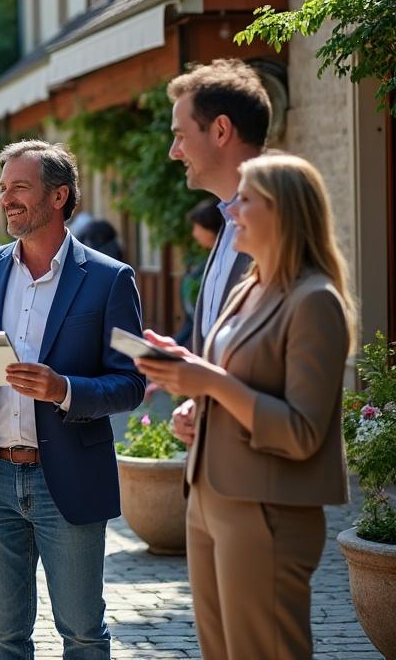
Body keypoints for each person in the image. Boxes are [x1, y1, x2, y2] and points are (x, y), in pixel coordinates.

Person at [135, 154, 352, 660]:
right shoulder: (250, 287)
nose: (232, 212)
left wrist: (209, 381)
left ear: (284, 212)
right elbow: (235, 382)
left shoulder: (315, 300)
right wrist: (194, 391)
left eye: (246, 200)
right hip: (210, 499)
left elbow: (302, 431)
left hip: (267, 511)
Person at [0, 140, 145, 660]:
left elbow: (131, 382)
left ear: (59, 196)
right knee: (3, 637)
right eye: (3, 186)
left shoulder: (109, 279)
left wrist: (65, 390)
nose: (6, 198)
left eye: (19, 187)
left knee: (82, 633)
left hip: (69, 482)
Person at [165, 59, 271, 443]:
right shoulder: (227, 225)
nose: (174, 151)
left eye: (180, 134)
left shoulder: (278, 231)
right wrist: (194, 398)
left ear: (221, 130)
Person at [174, 200, 224, 347]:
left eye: (196, 227)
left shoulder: (223, 261)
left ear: (209, 227)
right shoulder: (208, 258)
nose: (194, 233)